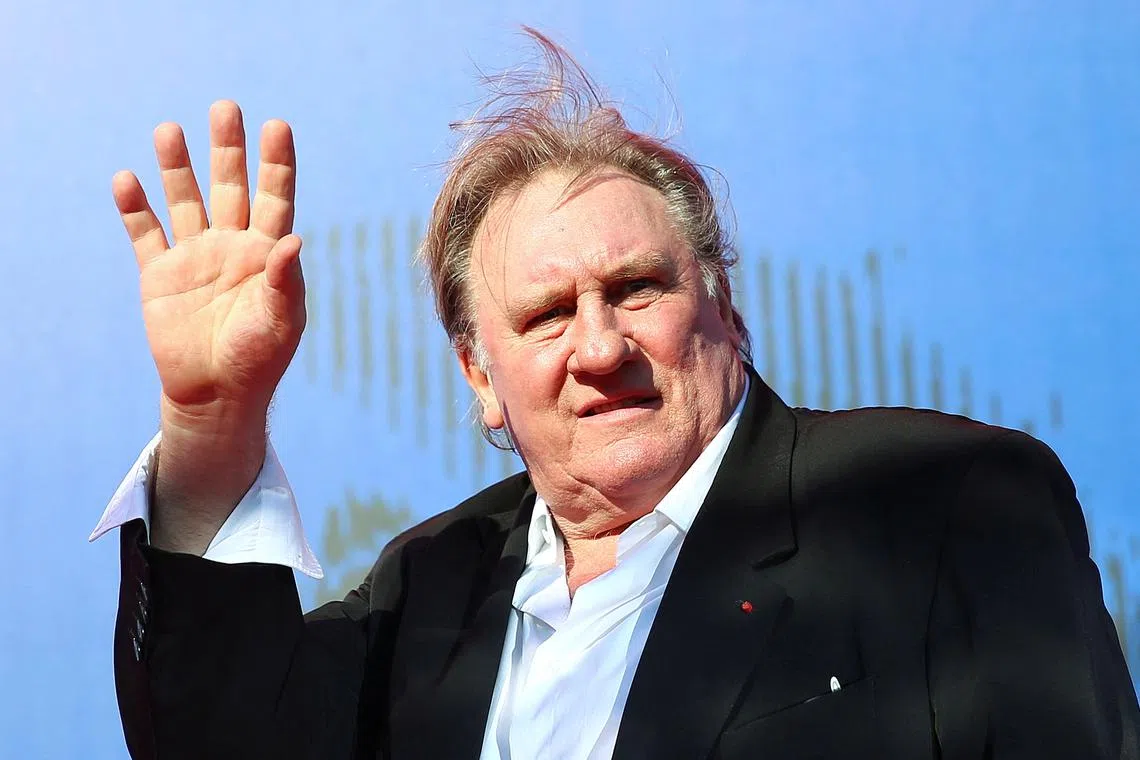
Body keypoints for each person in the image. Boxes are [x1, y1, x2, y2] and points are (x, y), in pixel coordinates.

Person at [92, 30, 1139, 759]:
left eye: (637, 288)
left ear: (722, 303)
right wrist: (213, 420)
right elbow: (224, 740)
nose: (599, 346)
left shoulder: (937, 500)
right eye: (546, 313)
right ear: (479, 377)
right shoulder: (429, 589)